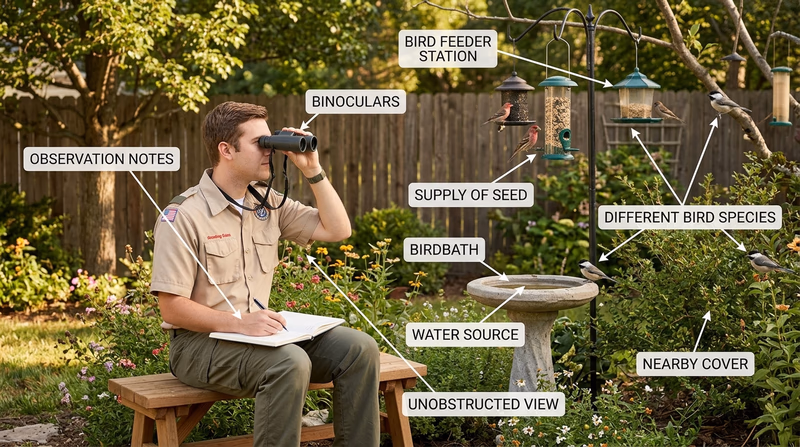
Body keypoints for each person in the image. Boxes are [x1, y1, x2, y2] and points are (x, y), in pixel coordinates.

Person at [150, 101, 380, 446]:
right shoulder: (184, 215)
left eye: (271, 141)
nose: (268, 150)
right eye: (260, 143)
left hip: (260, 337)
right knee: (288, 363)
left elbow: (337, 230)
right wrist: (240, 324)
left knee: (359, 349)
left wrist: (313, 171)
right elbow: (171, 308)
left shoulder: (267, 203)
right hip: (199, 345)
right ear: (226, 150)